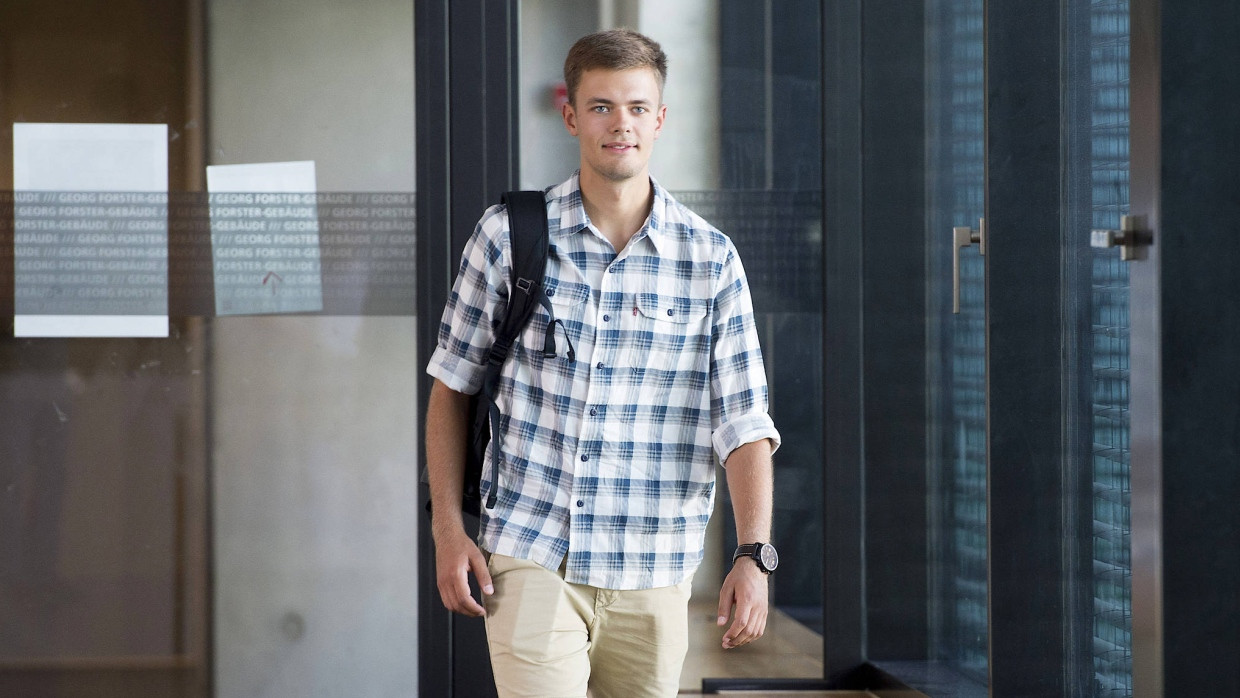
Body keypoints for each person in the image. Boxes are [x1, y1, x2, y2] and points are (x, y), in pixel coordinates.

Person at [425, 28, 781, 698]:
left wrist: (753, 554)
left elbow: (741, 420)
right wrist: (449, 530)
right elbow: (452, 385)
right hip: (531, 555)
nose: (622, 124)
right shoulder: (507, 237)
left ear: (661, 118)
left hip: (655, 566)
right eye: (602, 106)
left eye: (638, 107)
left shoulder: (709, 259)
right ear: (571, 115)